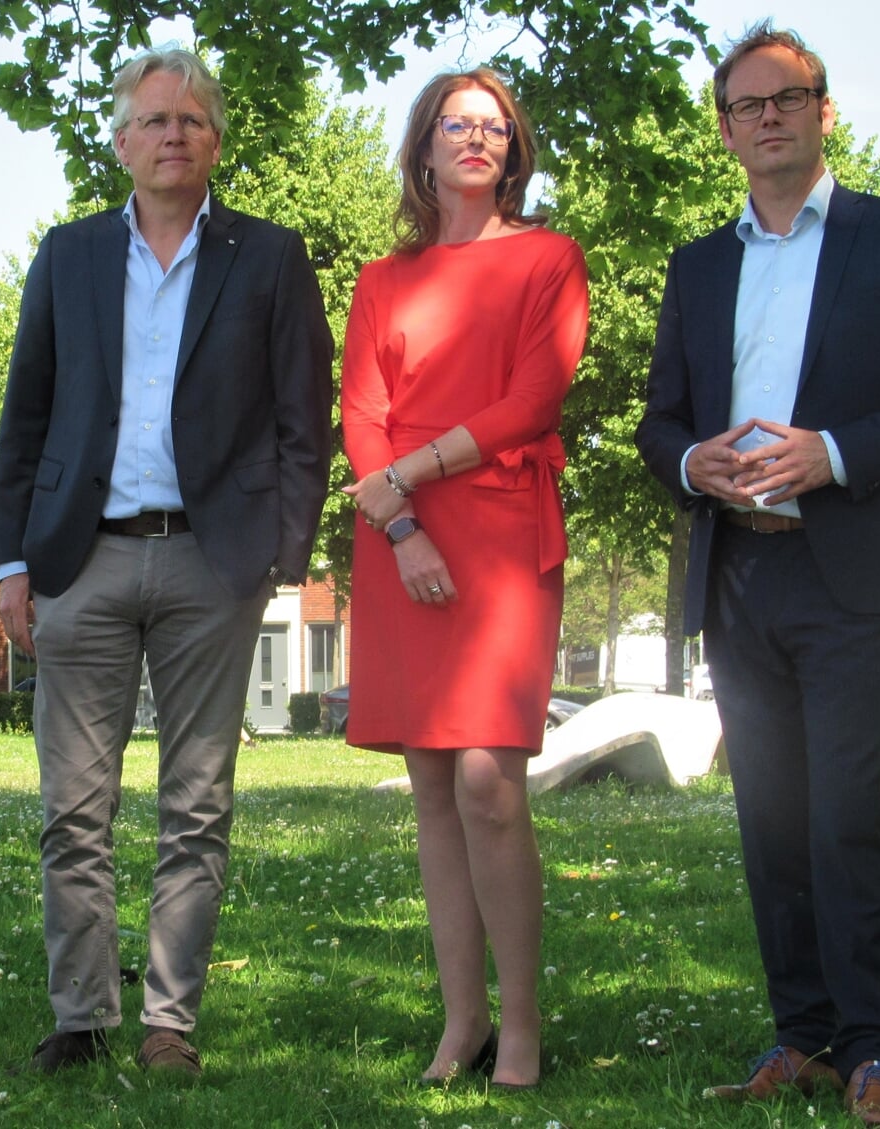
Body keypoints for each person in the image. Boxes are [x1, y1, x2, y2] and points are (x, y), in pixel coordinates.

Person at [635, 24, 880, 1126]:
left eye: (787, 97)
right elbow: (659, 423)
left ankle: (872, 1049)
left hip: (851, 572)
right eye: (745, 106)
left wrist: (829, 452)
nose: (768, 118)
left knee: (845, 812)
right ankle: (798, 1034)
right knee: (769, 817)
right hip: (739, 572)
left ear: (823, 109)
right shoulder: (699, 265)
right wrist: (691, 460)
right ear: (726, 131)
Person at [0, 47, 333, 1077]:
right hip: (79, 558)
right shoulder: (69, 254)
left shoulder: (267, 257)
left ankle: (169, 1023)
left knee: (196, 804)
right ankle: (81, 1015)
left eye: (191, 119)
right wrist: (10, 560)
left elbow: (299, 419)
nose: (172, 134)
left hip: (209, 563)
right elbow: (27, 415)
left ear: (215, 140)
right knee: (71, 808)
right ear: (121, 141)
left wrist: (279, 552)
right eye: (153, 119)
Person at [341, 68, 589, 1091]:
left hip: (498, 528)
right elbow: (360, 414)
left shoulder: (548, 258)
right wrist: (398, 515)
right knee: (433, 783)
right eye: (457, 124)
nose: (476, 139)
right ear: (426, 147)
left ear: (512, 150)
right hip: (401, 533)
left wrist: (416, 466)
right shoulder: (380, 279)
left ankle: (522, 1025)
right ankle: (462, 1022)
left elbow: (536, 395)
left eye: (494, 127)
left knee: (490, 778)